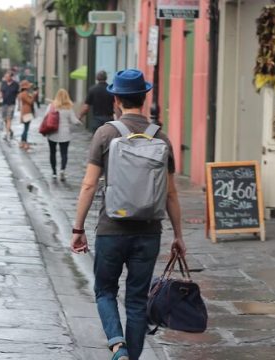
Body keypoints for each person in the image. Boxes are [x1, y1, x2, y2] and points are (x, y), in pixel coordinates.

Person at [70, 69, 186, 360]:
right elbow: (171, 193)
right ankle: (130, 357)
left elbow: (88, 184)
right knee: (136, 301)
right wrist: (179, 235)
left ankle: (117, 344)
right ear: (144, 98)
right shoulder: (161, 137)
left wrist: (78, 228)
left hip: (111, 228)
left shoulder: (106, 133)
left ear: (117, 99)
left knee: (105, 291)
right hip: (149, 231)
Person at [45, 89, 81, 181]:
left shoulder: (51, 106)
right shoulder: (68, 107)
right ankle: (62, 170)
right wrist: (79, 122)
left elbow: (46, 117)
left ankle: (54, 172)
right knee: (64, 153)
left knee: (52, 153)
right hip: (65, 134)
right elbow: (73, 120)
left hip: (52, 132)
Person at [0, 71, 20, 140]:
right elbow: (1, 92)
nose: (6, 78)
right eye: (5, 77)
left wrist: (19, 105)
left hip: (11, 104)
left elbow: (18, 95)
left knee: (9, 118)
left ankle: (6, 134)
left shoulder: (15, 84)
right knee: (5, 119)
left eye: (7, 77)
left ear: (11, 77)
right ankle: (10, 131)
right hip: (4, 103)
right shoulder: (3, 83)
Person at [18, 79, 37, 150]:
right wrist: (34, 96)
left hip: (25, 111)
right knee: (26, 128)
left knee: (26, 128)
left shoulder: (23, 93)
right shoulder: (24, 93)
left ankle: (23, 142)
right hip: (26, 112)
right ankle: (23, 142)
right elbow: (30, 102)